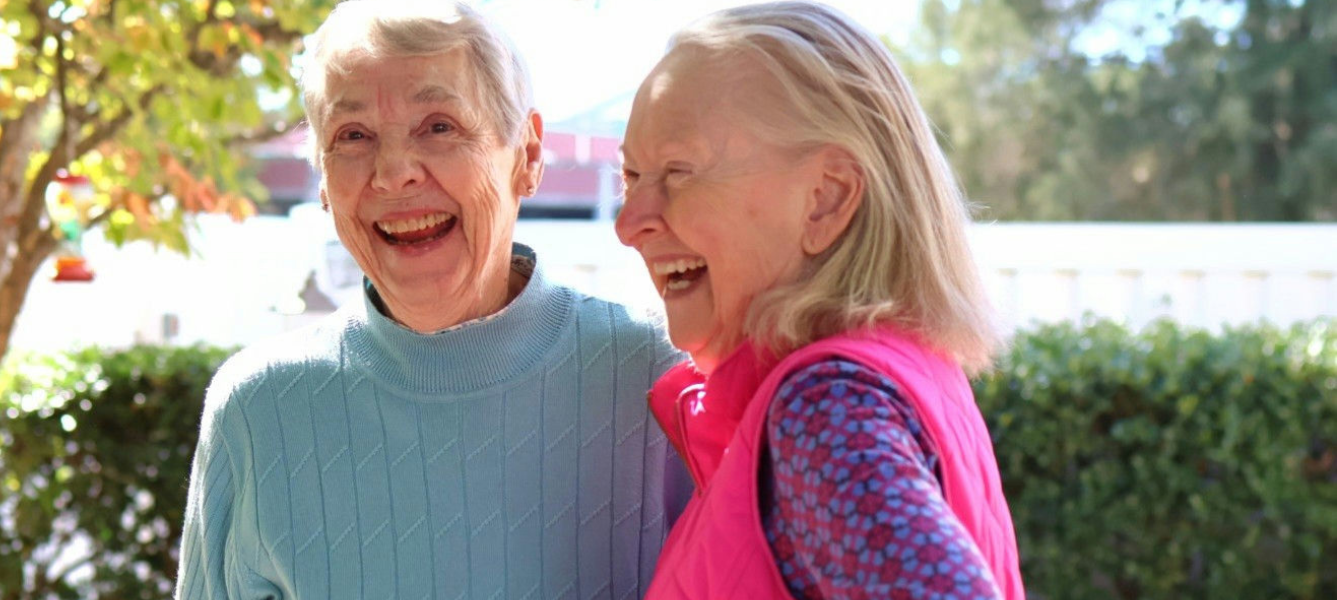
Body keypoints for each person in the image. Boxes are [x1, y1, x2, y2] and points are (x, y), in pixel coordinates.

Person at [175, 2, 688, 598]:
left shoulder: (661, 378)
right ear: (321, 179)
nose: (393, 174)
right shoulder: (258, 412)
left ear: (526, 154)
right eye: (353, 136)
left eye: (438, 126)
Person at [614, 2, 1025, 599]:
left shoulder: (828, 408)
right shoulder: (881, 376)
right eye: (630, 178)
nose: (630, 223)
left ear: (826, 200)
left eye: (679, 171)